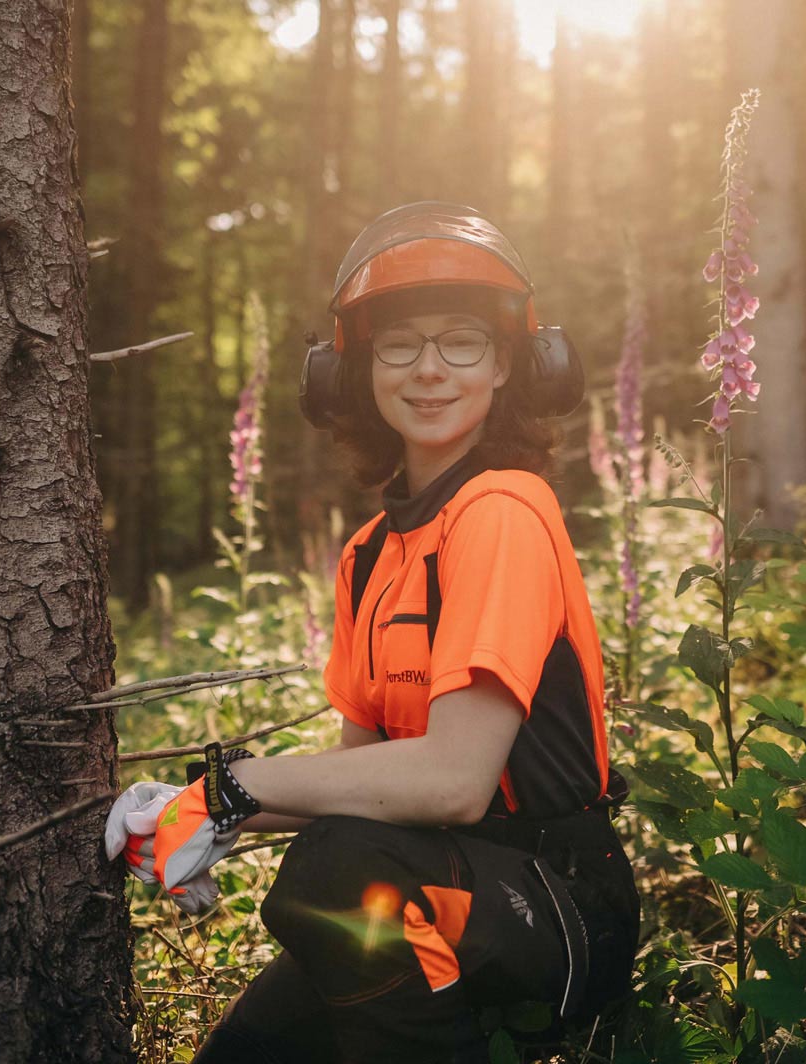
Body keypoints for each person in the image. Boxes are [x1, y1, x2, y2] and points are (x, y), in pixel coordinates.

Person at [104, 201, 639, 1064]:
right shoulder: (368, 556)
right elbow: (360, 780)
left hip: (556, 906)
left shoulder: (502, 511)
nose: (430, 369)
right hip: (429, 888)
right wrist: (188, 807)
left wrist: (230, 789)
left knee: (336, 866)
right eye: (399, 344)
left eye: (462, 341)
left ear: (509, 364)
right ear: (353, 372)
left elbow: (456, 781)